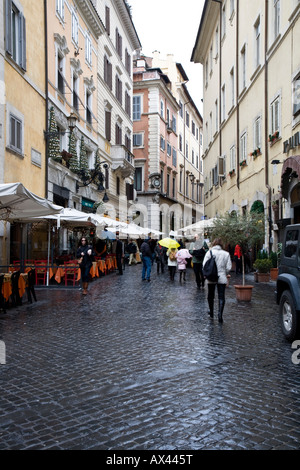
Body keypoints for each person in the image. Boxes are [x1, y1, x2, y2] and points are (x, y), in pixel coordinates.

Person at [203, 238, 232, 323]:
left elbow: (204, 265)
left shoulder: (209, 252)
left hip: (211, 277)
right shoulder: (226, 254)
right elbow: (228, 268)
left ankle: (211, 312)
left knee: (210, 296)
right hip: (222, 277)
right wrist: (224, 272)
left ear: (214, 244)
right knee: (221, 296)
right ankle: (220, 314)